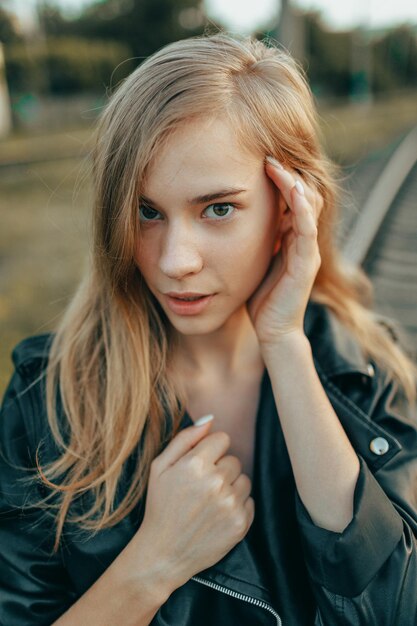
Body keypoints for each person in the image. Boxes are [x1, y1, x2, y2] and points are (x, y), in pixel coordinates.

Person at [1, 33, 417, 626]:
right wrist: (152, 564)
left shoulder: (367, 373)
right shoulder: (46, 406)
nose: (175, 261)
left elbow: (395, 610)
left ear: (289, 209)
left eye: (217, 209)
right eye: (147, 211)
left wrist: (285, 345)